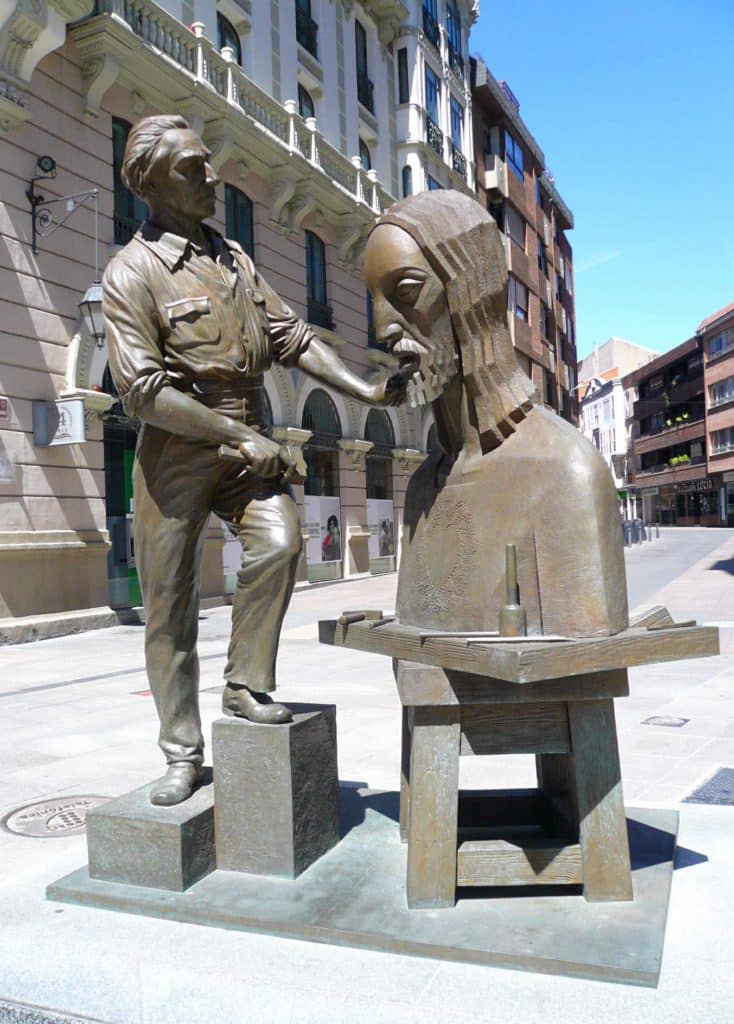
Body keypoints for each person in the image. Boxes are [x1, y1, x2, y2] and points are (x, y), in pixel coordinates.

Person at [103, 115, 404, 805]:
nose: (212, 177)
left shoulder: (234, 257)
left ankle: (244, 684)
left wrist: (365, 388)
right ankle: (182, 753)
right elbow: (143, 390)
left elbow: (291, 335)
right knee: (170, 609)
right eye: (192, 167)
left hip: (247, 439)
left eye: (209, 163)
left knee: (281, 542)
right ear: (151, 182)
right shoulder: (133, 271)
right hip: (177, 449)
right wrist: (239, 437)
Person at [363, 190, 628, 640]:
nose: (381, 328)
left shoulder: (565, 471)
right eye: (372, 299)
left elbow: (588, 671)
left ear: (470, 293)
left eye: (405, 292)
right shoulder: (423, 486)